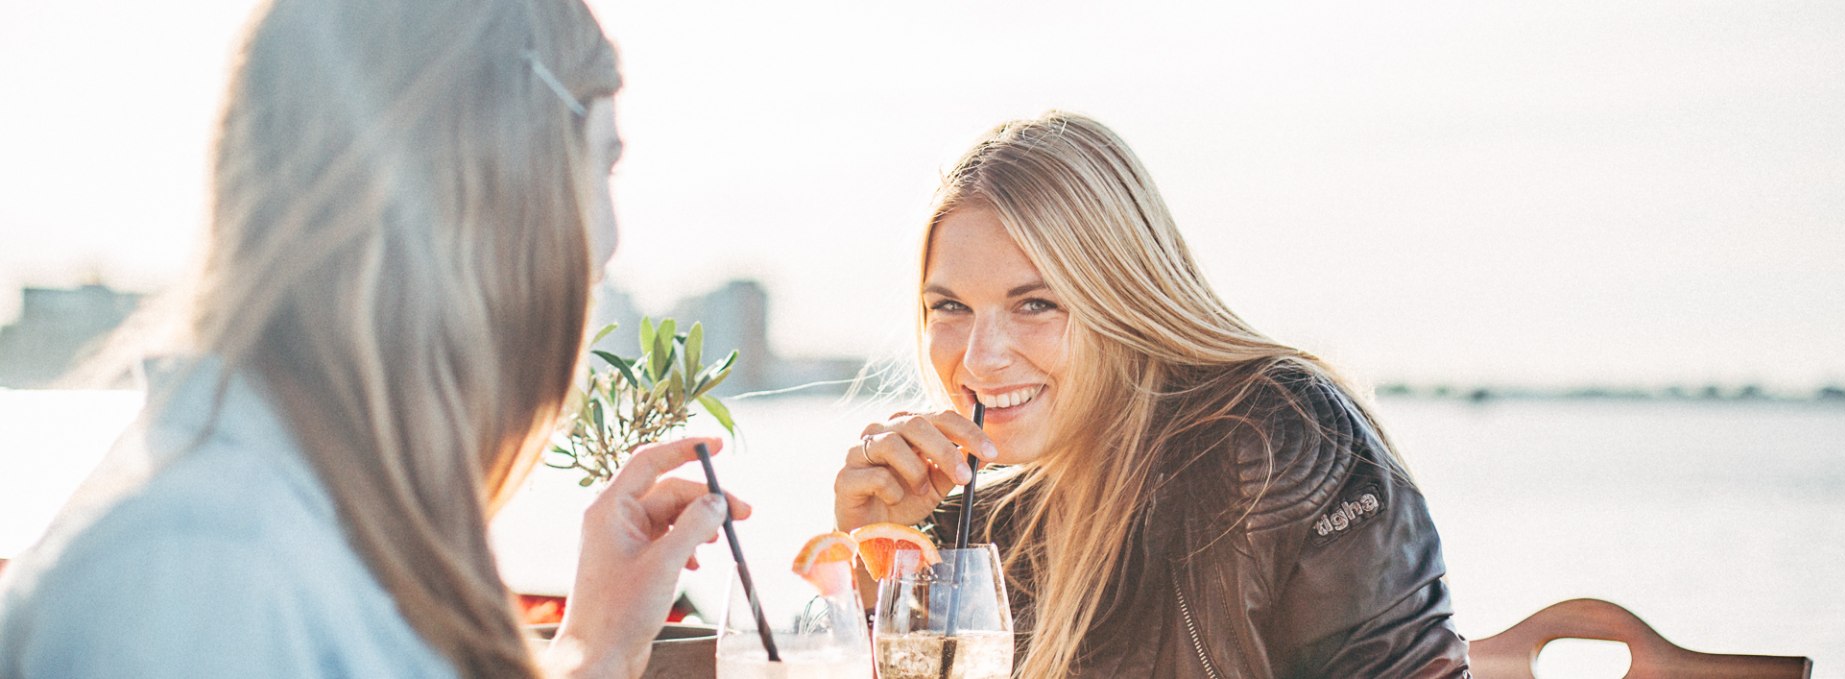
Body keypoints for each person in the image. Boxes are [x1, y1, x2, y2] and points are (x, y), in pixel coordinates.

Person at [0, 0, 748, 677]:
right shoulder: (202, 571)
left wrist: (600, 644)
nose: (608, 241)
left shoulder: (309, 519)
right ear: (494, 184)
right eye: (602, 163)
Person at [833, 111, 1470, 677]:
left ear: (1123, 297)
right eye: (950, 307)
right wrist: (874, 570)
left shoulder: (1277, 439)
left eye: (1035, 303)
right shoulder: (968, 517)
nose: (979, 358)